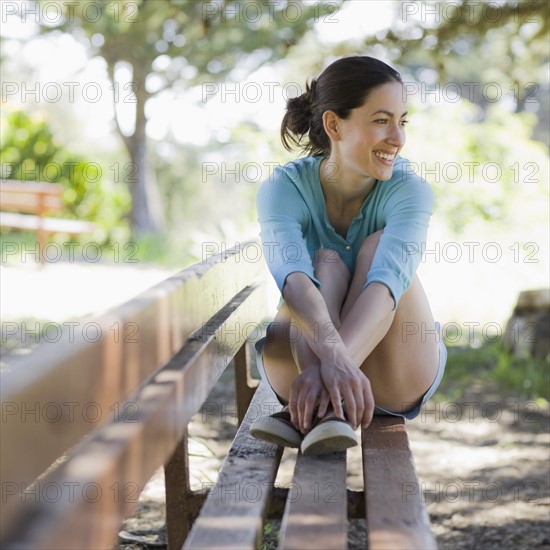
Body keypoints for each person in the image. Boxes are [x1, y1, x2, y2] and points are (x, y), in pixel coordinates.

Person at [249, 56, 447, 455]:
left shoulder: (410, 190)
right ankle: (332, 405)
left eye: (402, 121)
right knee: (323, 261)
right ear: (334, 125)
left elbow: (388, 285)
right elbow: (292, 279)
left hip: (392, 374)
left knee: (376, 250)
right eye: (381, 120)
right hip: (298, 369)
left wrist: (331, 367)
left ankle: (323, 402)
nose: (398, 137)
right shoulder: (285, 187)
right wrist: (333, 359)